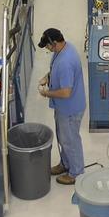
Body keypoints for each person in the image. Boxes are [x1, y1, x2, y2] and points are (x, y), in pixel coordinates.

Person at [37, 27, 85, 186]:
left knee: (70, 140)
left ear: (55, 43)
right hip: (63, 108)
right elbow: (55, 69)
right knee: (63, 138)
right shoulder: (63, 49)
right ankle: (65, 163)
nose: (48, 50)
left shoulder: (66, 61)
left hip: (70, 109)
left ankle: (76, 172)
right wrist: (48, 77)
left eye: (48, 46)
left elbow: (65, 92)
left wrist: (47, 93)